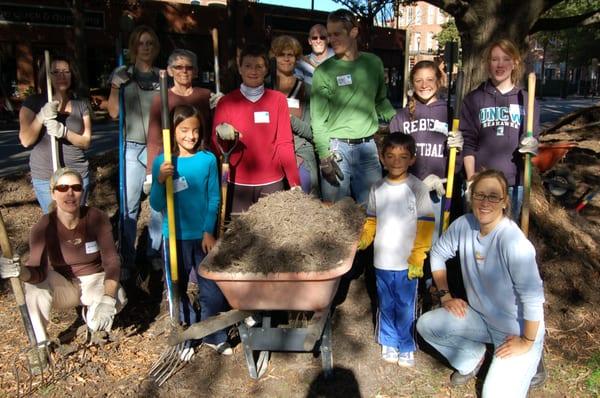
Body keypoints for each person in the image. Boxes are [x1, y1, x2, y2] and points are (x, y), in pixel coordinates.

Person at [416, 169, 545, 397]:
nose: (485, 203)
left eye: (493, 196)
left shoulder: (513, 242)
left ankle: (531, 356)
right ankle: (474, 358)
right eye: (480, 195)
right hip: (482, 319)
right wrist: (445, 295)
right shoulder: (464, 224)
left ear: (504, 202)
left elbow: (533, 298)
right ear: (471, 196)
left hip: (516, 331)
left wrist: (526, 341)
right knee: (427, 325)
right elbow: (437, 254)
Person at [0, 168, 127, 344]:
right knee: (34, 289)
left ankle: (91, 320)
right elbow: (37, 273)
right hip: (64, 285)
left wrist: (107, 299)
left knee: (117, 297)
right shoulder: (44, 227)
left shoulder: (96, 217)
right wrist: (19, 271)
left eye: (76, 187)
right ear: (53, 193)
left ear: (82, 191)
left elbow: (112, 262)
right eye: (62, 188)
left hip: (95, 281)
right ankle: (41, 344)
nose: (70, 193)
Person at [150, 105, 230, 357]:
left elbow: (214, 198)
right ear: (173, 132)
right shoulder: (162, 162)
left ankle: (213, 333)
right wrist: (160, 182)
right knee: (176, 287)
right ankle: (188, 332)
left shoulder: (207, 160)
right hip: (173, 236)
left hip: (201, 237)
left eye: (195, 130)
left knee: (211, 288)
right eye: (184, 130)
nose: (190, 136)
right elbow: (156, 204)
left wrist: (209, 231)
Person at [357, 133, 435, 367]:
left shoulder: (418, 188)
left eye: (403, 156)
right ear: (381, 158)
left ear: (412, 159)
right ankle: (389, 341)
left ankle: (406, 344)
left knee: (405, 304)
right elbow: (371, 221)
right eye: (390, 156)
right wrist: (363, 240)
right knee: (385, 302)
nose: (396, 161)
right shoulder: (377, 187)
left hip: (407, 262)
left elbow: (426, 224)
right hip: (382, 261)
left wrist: (418, 256)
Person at [311, 9, 396, 205]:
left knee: (371, 212)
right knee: (334, 217)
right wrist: (324, 157)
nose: (331, 40)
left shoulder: (373, 63)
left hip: (367, 149)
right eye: (329, 35)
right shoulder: (324, 71)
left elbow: (380, 101)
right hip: (336, 150)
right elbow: (318, 120)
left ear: (354, 32)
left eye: (337, 33)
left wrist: (400, 120)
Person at [212, 43, 301, 215]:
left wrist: (294, 183)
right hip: (237, 182)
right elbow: (215, 145)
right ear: (240, 69)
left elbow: (284, 143)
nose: (253, 71)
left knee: (271, 237)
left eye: (259, 66)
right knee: (238, 237)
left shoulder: (278, 100)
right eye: (248, 66)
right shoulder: (226, 102)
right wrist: (220, 135)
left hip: (272, 182)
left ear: (267, 69)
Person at [106, 25, 162, 284]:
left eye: (150, 43)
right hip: (131, 147)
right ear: (134, 46)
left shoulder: (163, 77)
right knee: (129, 208)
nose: (146, 47)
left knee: (159, 205)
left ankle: (153, 252)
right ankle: (127, 259)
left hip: (158, 147)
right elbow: (114, 113)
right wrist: (116, 87)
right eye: (141, 43)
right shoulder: (123, 75)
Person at [460, 39, 540, 218]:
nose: (500, 64)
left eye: (506, 59)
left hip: (513, 185)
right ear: (488, 63)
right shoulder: (474, 99)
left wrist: (532, 145)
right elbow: (468, 143)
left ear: (515, 62)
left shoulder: (527, 100)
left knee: (506, 241)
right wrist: (471, 179)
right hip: (481, 184)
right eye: (494, 59)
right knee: (476, 240)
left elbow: (533, 139)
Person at [389, 60, 464, 238]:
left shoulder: (450, 113)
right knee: (407, 244)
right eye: (418, 80)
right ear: (412, 83)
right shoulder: (401, 116)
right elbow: (392, 159)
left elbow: (458, 162)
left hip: (439, 191)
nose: (424, 85)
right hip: (408, 191)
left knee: (435, 245)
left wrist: (460, 149)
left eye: (430, 79)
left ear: (439, 82)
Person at [19, 54, 92, 214]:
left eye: (66, 71)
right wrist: (41, 116)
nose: (61, 76)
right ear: (47, 76)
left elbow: (86, 141)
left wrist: (64, 132)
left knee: (77, 223)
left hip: (77, 174)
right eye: (56, 72)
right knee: (54, 224)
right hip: (47, 177)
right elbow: (25, 140)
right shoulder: (33, 103)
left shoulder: (81, 104)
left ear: (72, 75)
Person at [146, 49, 223, 179]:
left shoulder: (205, 95)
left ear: (195, 71)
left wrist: (223, 103)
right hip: (174, 160)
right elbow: (154, 139)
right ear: (170, 71)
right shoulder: (162, 98)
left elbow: (217, 126)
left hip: (201, 159)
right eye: (178, 67)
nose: (184, 71)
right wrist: (150, 172)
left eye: (189, 67)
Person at [270, 35, 319, 196]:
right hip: (269, 159)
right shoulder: (264, 88)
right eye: (281, 54)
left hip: (301, 157)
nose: (285, 59)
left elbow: (313, 132)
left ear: (296, 58)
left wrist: (288, 119)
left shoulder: (307, 90)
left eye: (290, 55)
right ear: (274, 57)